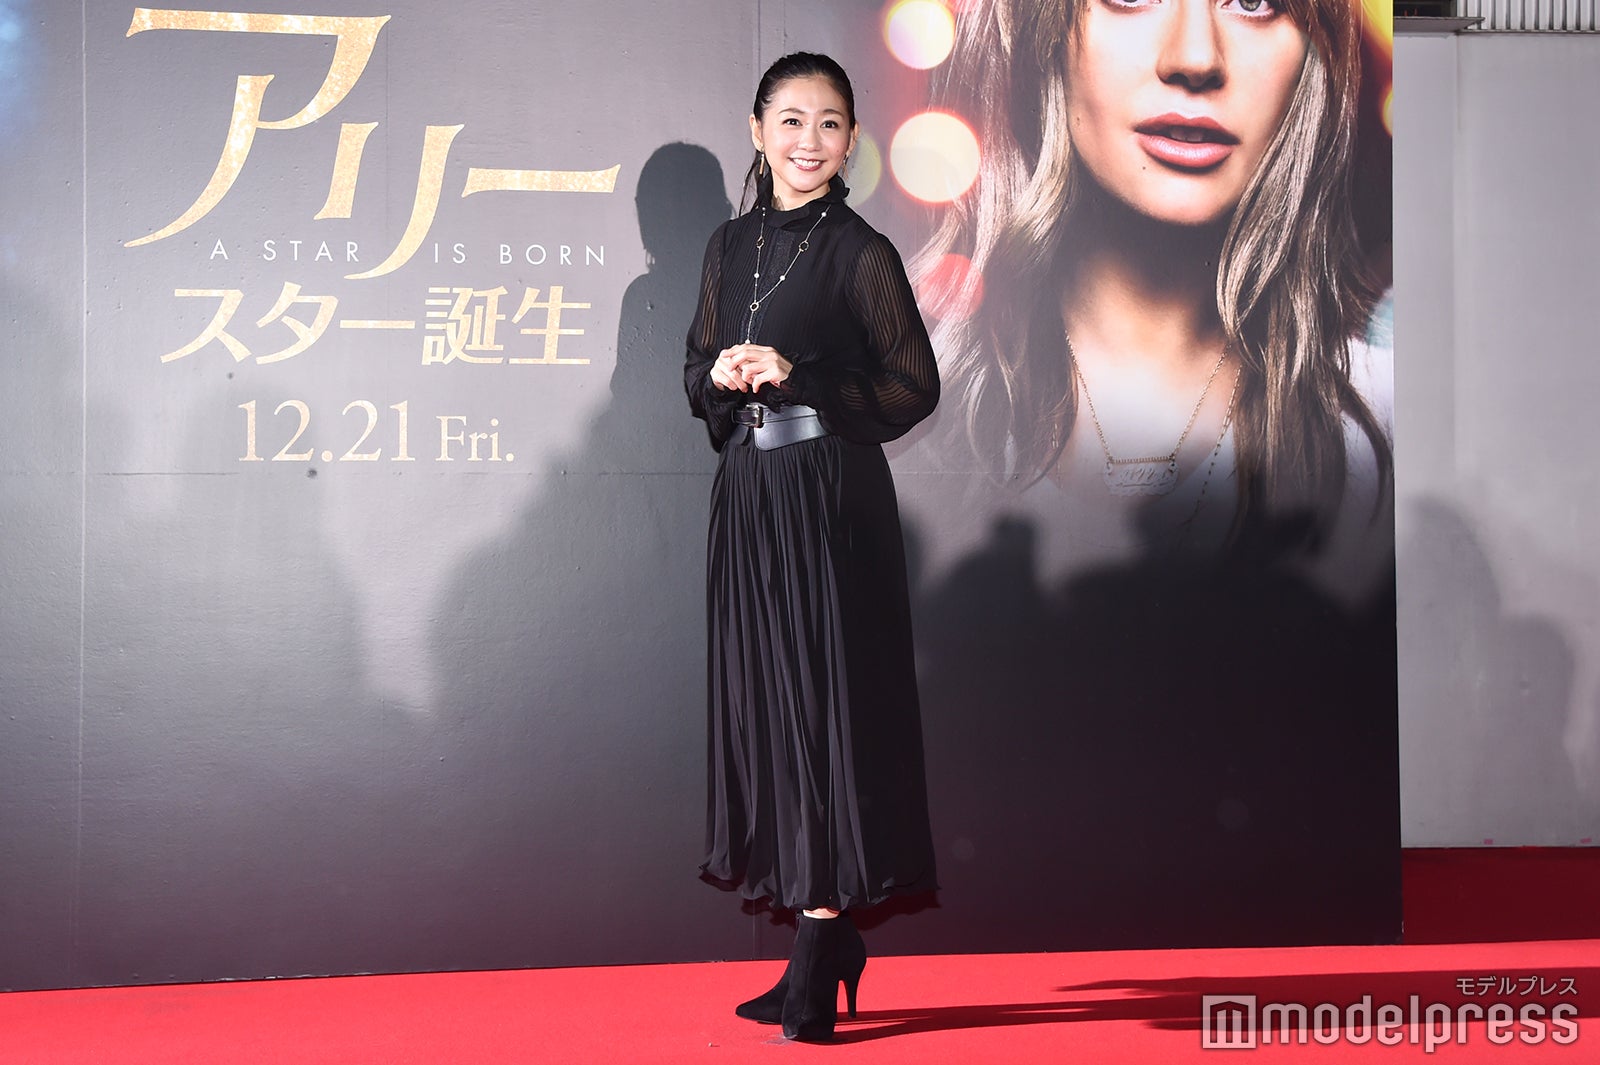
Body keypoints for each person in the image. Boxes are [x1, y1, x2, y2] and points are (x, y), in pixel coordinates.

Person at [913, 0, 1393, 573]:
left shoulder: (1387, 428)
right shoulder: (902, 407)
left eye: (1252, 2)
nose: (1196, 58)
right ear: (1035, 29)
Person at [683, 52, 941, 1042]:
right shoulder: (729, 245)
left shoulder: (860, 252)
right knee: (770, 712)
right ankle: (820, 942)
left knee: (824, 711)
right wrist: (721, 376)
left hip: (828, 502)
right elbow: (691, 374)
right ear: (757, 131)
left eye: (830, 123)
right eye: (790, 120)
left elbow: (912, 387)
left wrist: (797, 377)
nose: (809, 140)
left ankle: (820, 940)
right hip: (749, 498)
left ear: (852, 141)